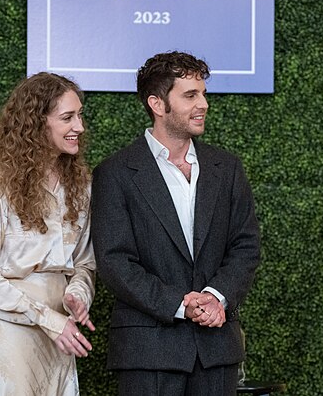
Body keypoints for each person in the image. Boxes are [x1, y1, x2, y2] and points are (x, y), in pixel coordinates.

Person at [91, 51, 260, 395]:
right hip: (148, 351)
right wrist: (180, 304)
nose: (203, 104)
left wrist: (216, 297)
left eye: (203, 94)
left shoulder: (226, 168)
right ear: (157, 103)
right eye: (190, 95)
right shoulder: (115, 173)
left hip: (216, 352)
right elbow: (114, 261)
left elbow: (245, 245)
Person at [0, 73, 96, 396]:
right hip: (7, 335)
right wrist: (48, 319)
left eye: (79, 116)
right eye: (67, 117)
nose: (79, 126)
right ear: (37, 124)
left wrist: (78, 295)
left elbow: (85, 263)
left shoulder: (80, 186)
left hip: (60, 335)